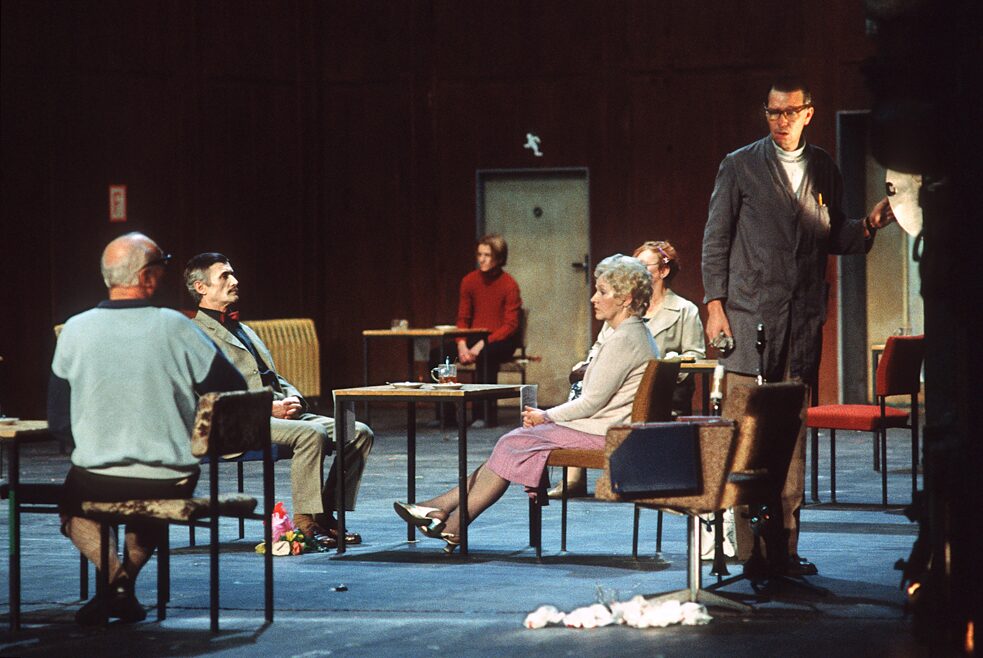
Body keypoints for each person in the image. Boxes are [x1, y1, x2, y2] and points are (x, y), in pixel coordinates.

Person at [701, 76, 896, 575]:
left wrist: (870, 225)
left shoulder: (824, 167)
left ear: (808, 113)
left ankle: (784, 549)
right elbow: (716, 239)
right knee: (748, 434)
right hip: (748, 319)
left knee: (789, 438)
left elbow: (835, 236)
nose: (781, 122)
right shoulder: (740, 165)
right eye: (773, 113)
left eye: (790, 113)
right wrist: (715, 305)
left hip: (802, 321)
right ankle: (750, 553)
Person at [394, 254, 657, 552]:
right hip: (607, 428)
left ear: (626, 298)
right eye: (596, 290)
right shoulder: (632, 333)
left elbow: (590, 403)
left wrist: (546, 416)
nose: (594, 298)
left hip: (605, 434)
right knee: (513, 443)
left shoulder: (624, 339)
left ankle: (450, 519)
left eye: (603, 292)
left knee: (512, 442)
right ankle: (443, 513)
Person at [49, 232, 247, 625]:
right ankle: (121, 587)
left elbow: (58, 419)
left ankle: (113, 585)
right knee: (150, 508)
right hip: (170, 476)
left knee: (72, 508)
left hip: (97, 474)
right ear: (148, 277)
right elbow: (231, 390)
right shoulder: (176, 327)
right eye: (161, 265)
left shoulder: (74, 329)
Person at [183, 253, 374, 549]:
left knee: (358, 430)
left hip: (276, 412)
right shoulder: (193, 334)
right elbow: (204, 397)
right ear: (201, 287)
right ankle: (305, 521)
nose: (235, 281)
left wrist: (294, 397)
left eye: (233, 274)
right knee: (313, 434)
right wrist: (264, 408)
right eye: (224, 276)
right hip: (235, 423)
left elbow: (272, 375)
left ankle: (324, 512)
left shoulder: (243, 329)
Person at [551, 240, 705, 497]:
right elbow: (601, 347)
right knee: (581, 386)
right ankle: (573, 473)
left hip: (659, 391)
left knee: (590, 400)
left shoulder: (684, 310)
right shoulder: (619, 310)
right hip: (617, 384)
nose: (637, 270)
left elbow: (696, 357)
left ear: (663, 271)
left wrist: (662, 367)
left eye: (644, 265)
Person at [441, 234, 522, 426]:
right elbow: (463, 318)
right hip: (473, 337)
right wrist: (461, 344)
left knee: (486, 354)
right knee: (441, 353)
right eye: (480, 254)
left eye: (487, 255)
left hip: (501, 339)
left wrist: (480, 345)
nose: (482, 259)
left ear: (499, 258)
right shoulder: (469, 281)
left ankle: (482, 415)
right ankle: (446, 416)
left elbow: (510, 324)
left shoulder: (509, 284)